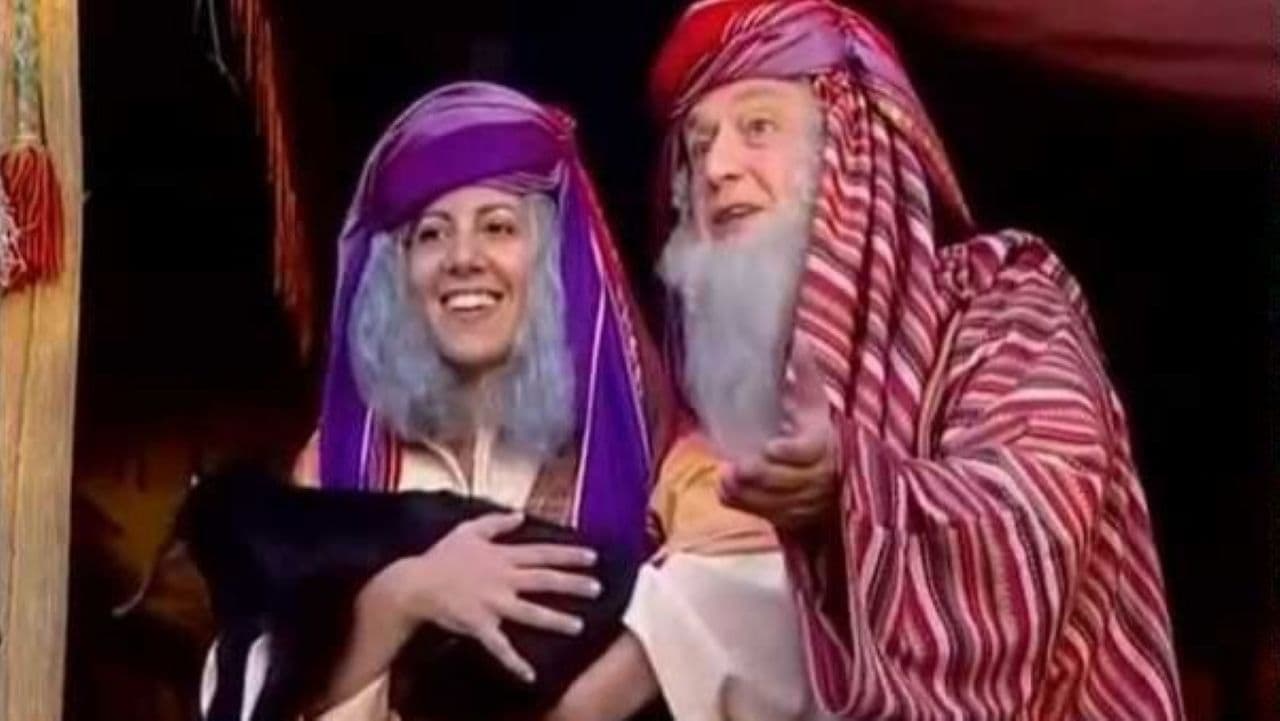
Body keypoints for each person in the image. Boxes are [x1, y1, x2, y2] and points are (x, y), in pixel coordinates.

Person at [645, 1, 1184, 719]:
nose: (716, 168)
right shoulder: (696, 397)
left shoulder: (998, 301)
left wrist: (853, 494)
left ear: (851, 141)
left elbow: (1039, 514)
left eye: (759, 127)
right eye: (699, 144)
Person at [200, 81, 674, 721]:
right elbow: (242, 685)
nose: (463, 259)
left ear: (552, 258)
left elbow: (748, 612)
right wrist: (404, 596)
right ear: (398, 278)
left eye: (498, 228)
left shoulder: (650, 445)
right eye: (431, 235)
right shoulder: (336, 463)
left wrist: (592, 703)